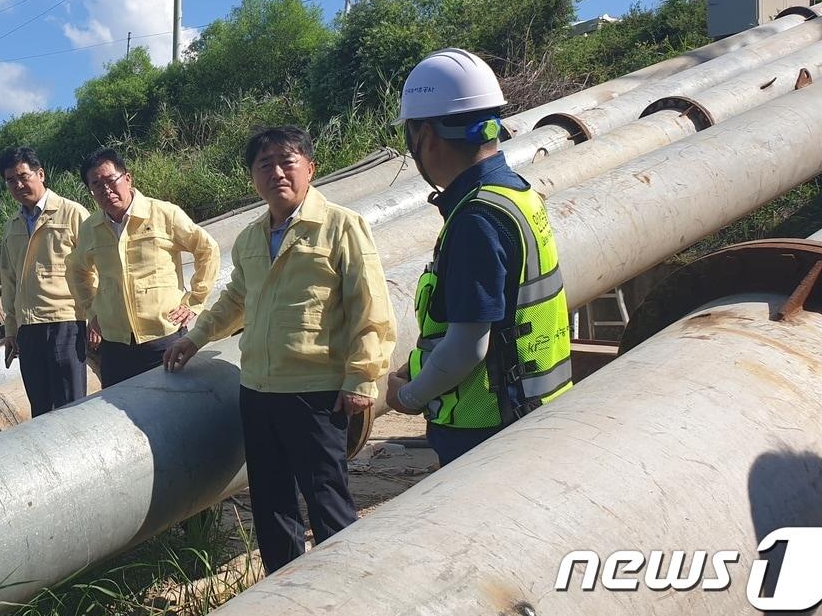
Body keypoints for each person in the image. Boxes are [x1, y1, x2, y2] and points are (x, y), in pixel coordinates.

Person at [163, 125, 396, 574]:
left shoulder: (341, 226)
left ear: (310, 167)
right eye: (263, 165)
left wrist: (363, 377)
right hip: (258, 389)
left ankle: (343, 590)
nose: (276, 173)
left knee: (327, 497)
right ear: (252, 177)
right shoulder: (251, 237)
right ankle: (284, 594)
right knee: (270, 502)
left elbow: (371, 307)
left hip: (314, 389)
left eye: (287, 161)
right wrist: (196, 337)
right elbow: (236, 299)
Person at [382, 48, 573, 466]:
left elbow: (468, 345)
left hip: (486, 430)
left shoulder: (476, 219)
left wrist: (409, 395)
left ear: (426, 136)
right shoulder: (516, 193)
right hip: (534, 409)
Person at [66, 148, 221, 387]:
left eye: (110, 180)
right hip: (115, 346)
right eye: (96, 185)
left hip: (163, 339)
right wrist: (92, 310)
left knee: (175, 410)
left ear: (127, 178)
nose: (106, 189)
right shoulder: (91, 229)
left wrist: (194, 300)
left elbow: (207, 249)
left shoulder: (162, 213)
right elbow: (76, 269)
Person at [0, 146, 92, 417]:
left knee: (71, 406)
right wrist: (12, 330)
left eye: (23, 176)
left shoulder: (71, 213)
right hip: (29, 329)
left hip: (65, 322)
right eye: (10, 180)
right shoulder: (12, 225)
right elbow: (9, 279)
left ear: (40, 174)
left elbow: (93, 268)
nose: (18, 184)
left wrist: (95, 316)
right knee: (40, 409)